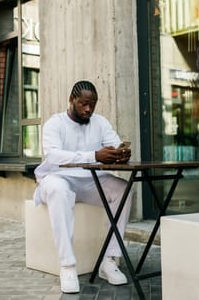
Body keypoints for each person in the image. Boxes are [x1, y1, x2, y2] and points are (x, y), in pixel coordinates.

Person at [33, 80, 132, 294]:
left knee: (123, 189)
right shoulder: (54, 123)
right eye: (83, 104)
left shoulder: (100, 122)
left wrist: (119, 155)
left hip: (90, 181)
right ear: (71, 100)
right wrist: (94, 155)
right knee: (59, 190)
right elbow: (54, 156)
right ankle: (67, 265)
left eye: (93, 104)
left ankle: (109, 260)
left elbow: (112, 145)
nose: (88, 109)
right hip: (56, 178)